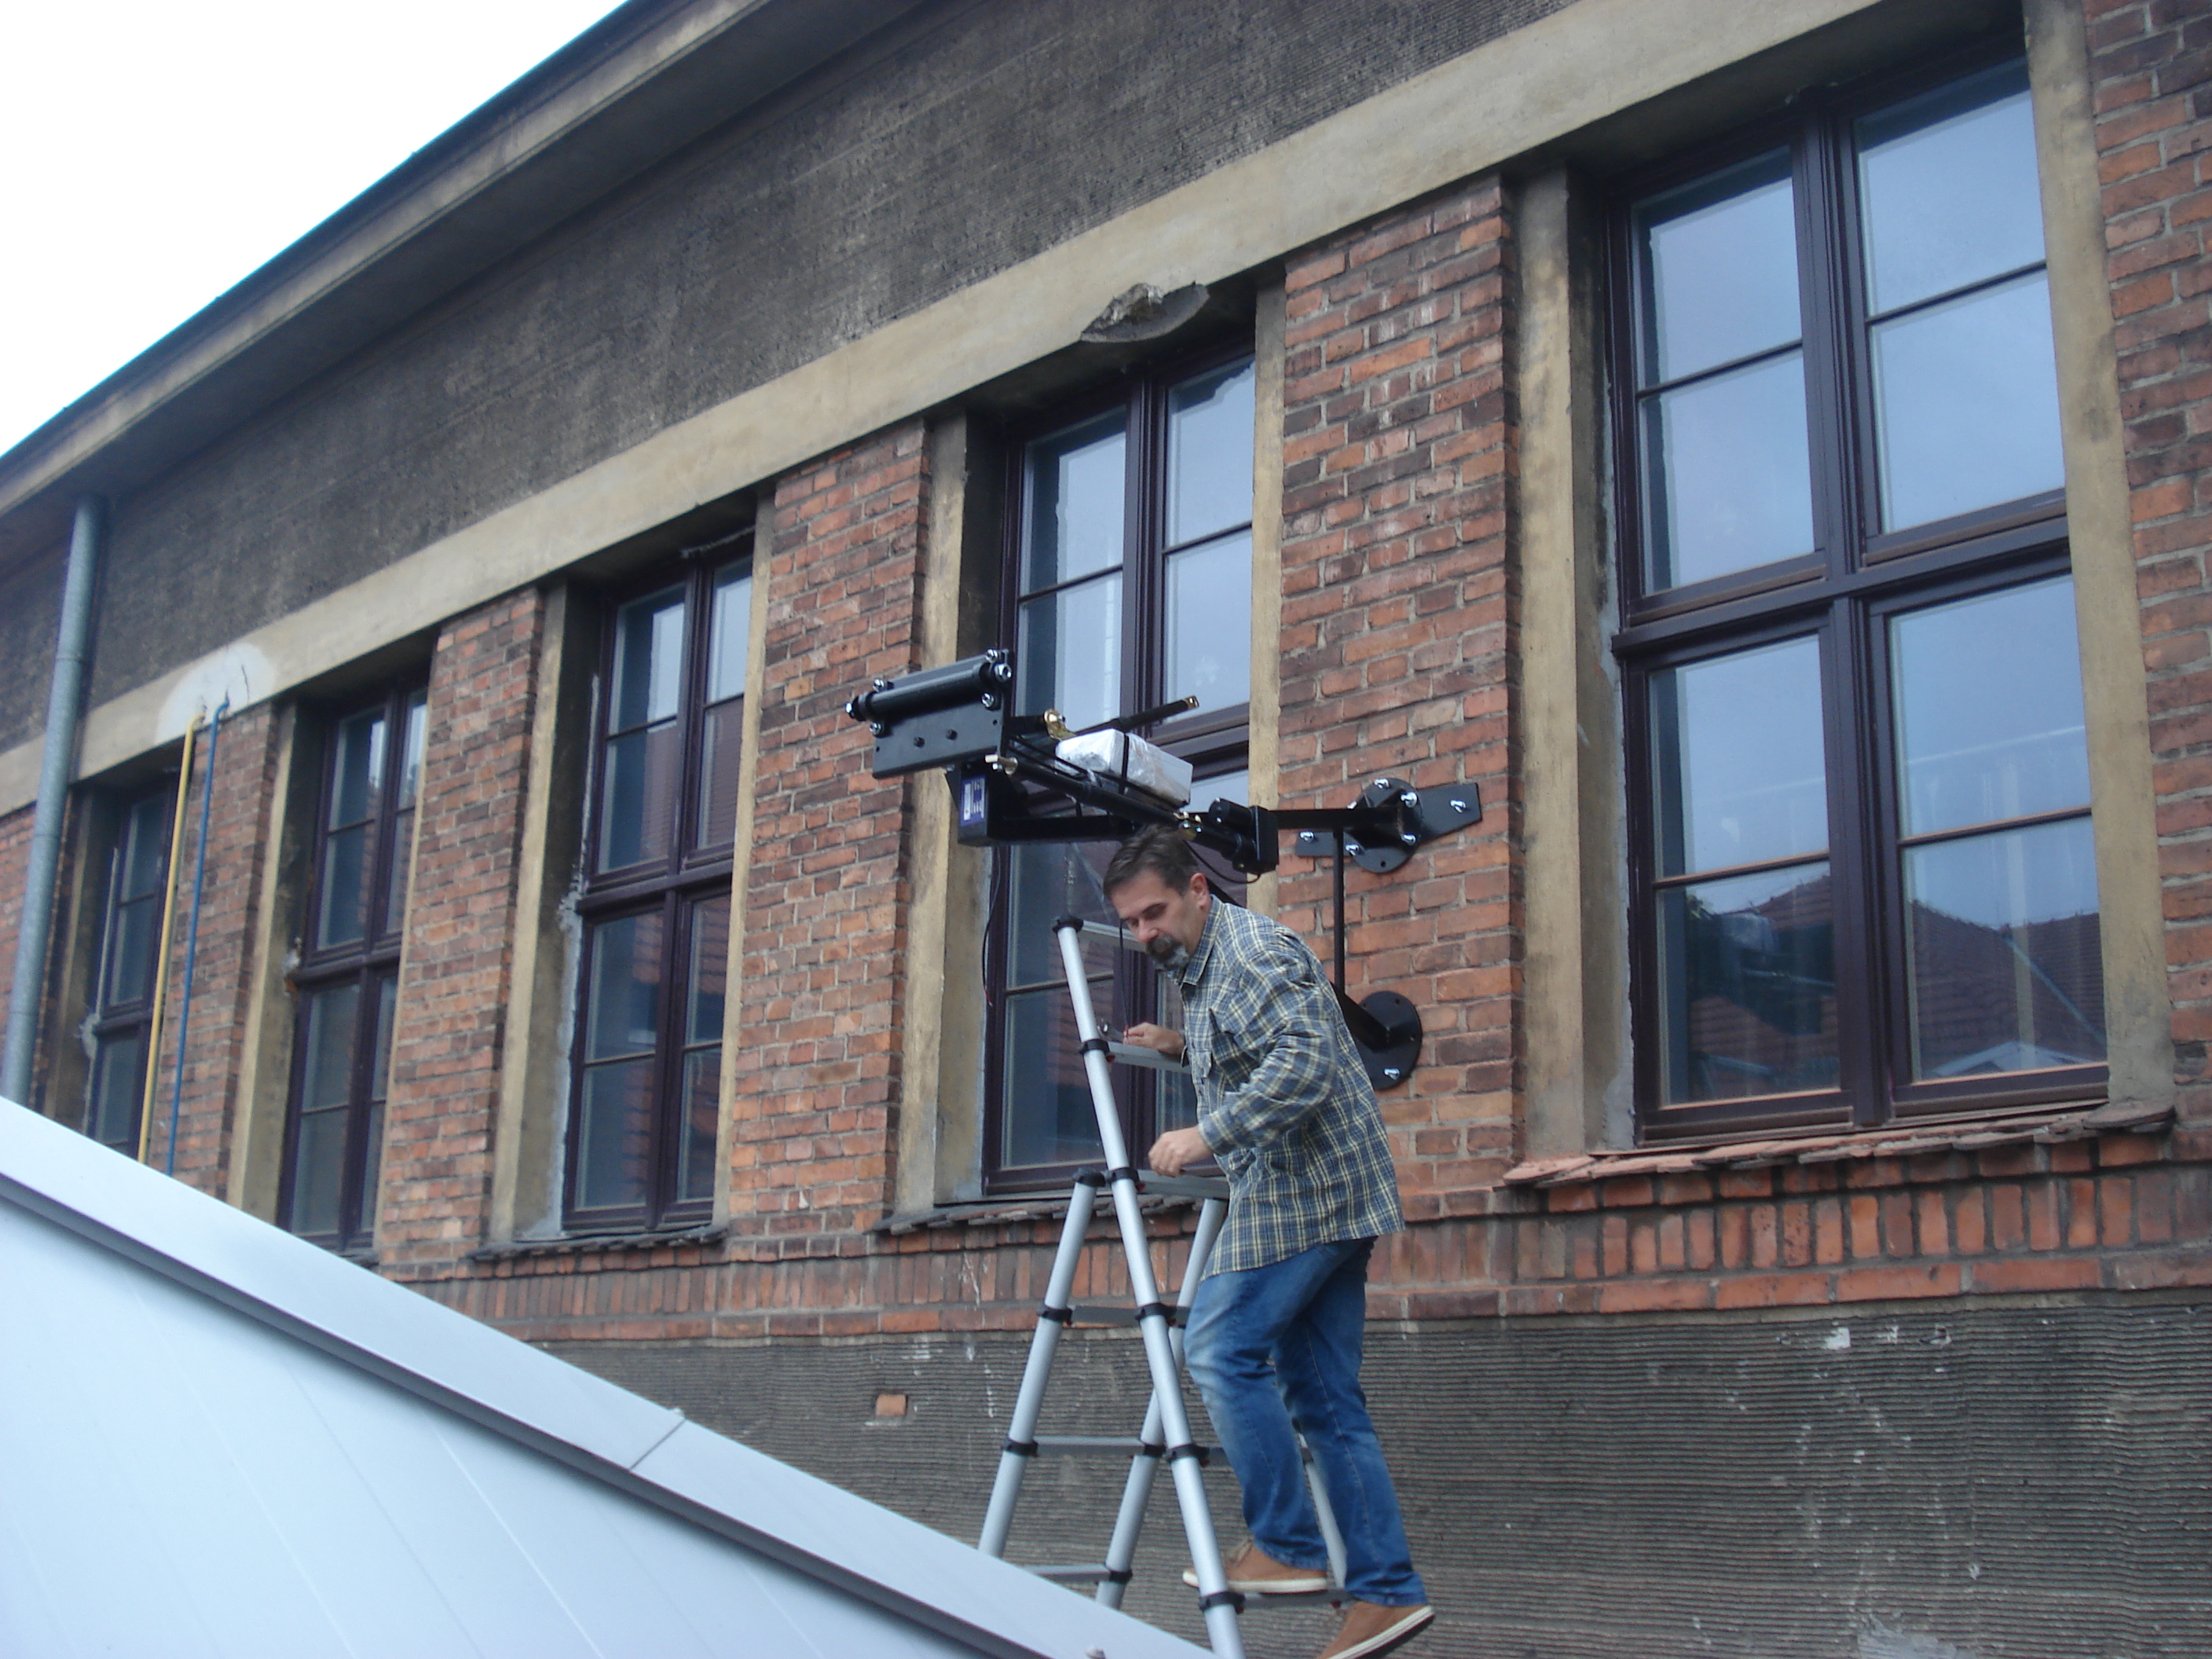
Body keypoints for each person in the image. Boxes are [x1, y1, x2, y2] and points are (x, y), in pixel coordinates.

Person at [1104, 826, 1434, 1659]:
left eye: (1154, 912)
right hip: (1331, 1195)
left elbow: (1308, 1063)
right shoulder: (1203, 964)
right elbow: (1257, 1046)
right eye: (1131, 923)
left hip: (1304, 1194)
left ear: (1196, 891)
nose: (1145, 933)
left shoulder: (1249, 953)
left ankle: (1286, 1547)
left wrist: (1204, 1132)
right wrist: (1180, 1047)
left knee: (1216, 1348)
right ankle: (1385, 1593)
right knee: (1324, 1404)